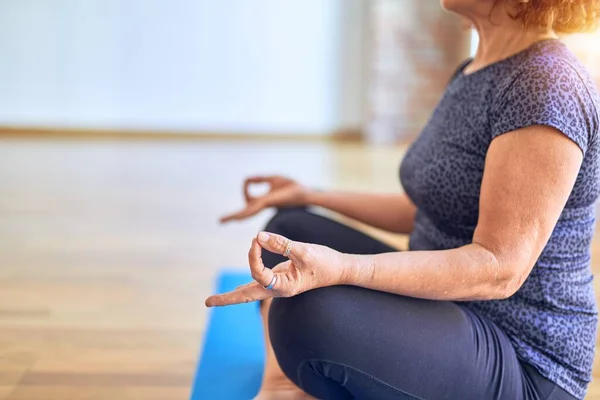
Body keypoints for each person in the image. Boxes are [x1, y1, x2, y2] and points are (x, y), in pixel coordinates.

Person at [206, 0, 600, 399]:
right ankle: (283, 388)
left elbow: (499, 269)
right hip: (448, 307)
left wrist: (342, 268)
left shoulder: (549, 85)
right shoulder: (474, 69)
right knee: (289, 232)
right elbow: (423, 210)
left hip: (523, 356)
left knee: (309, 310)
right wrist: (311, 195)